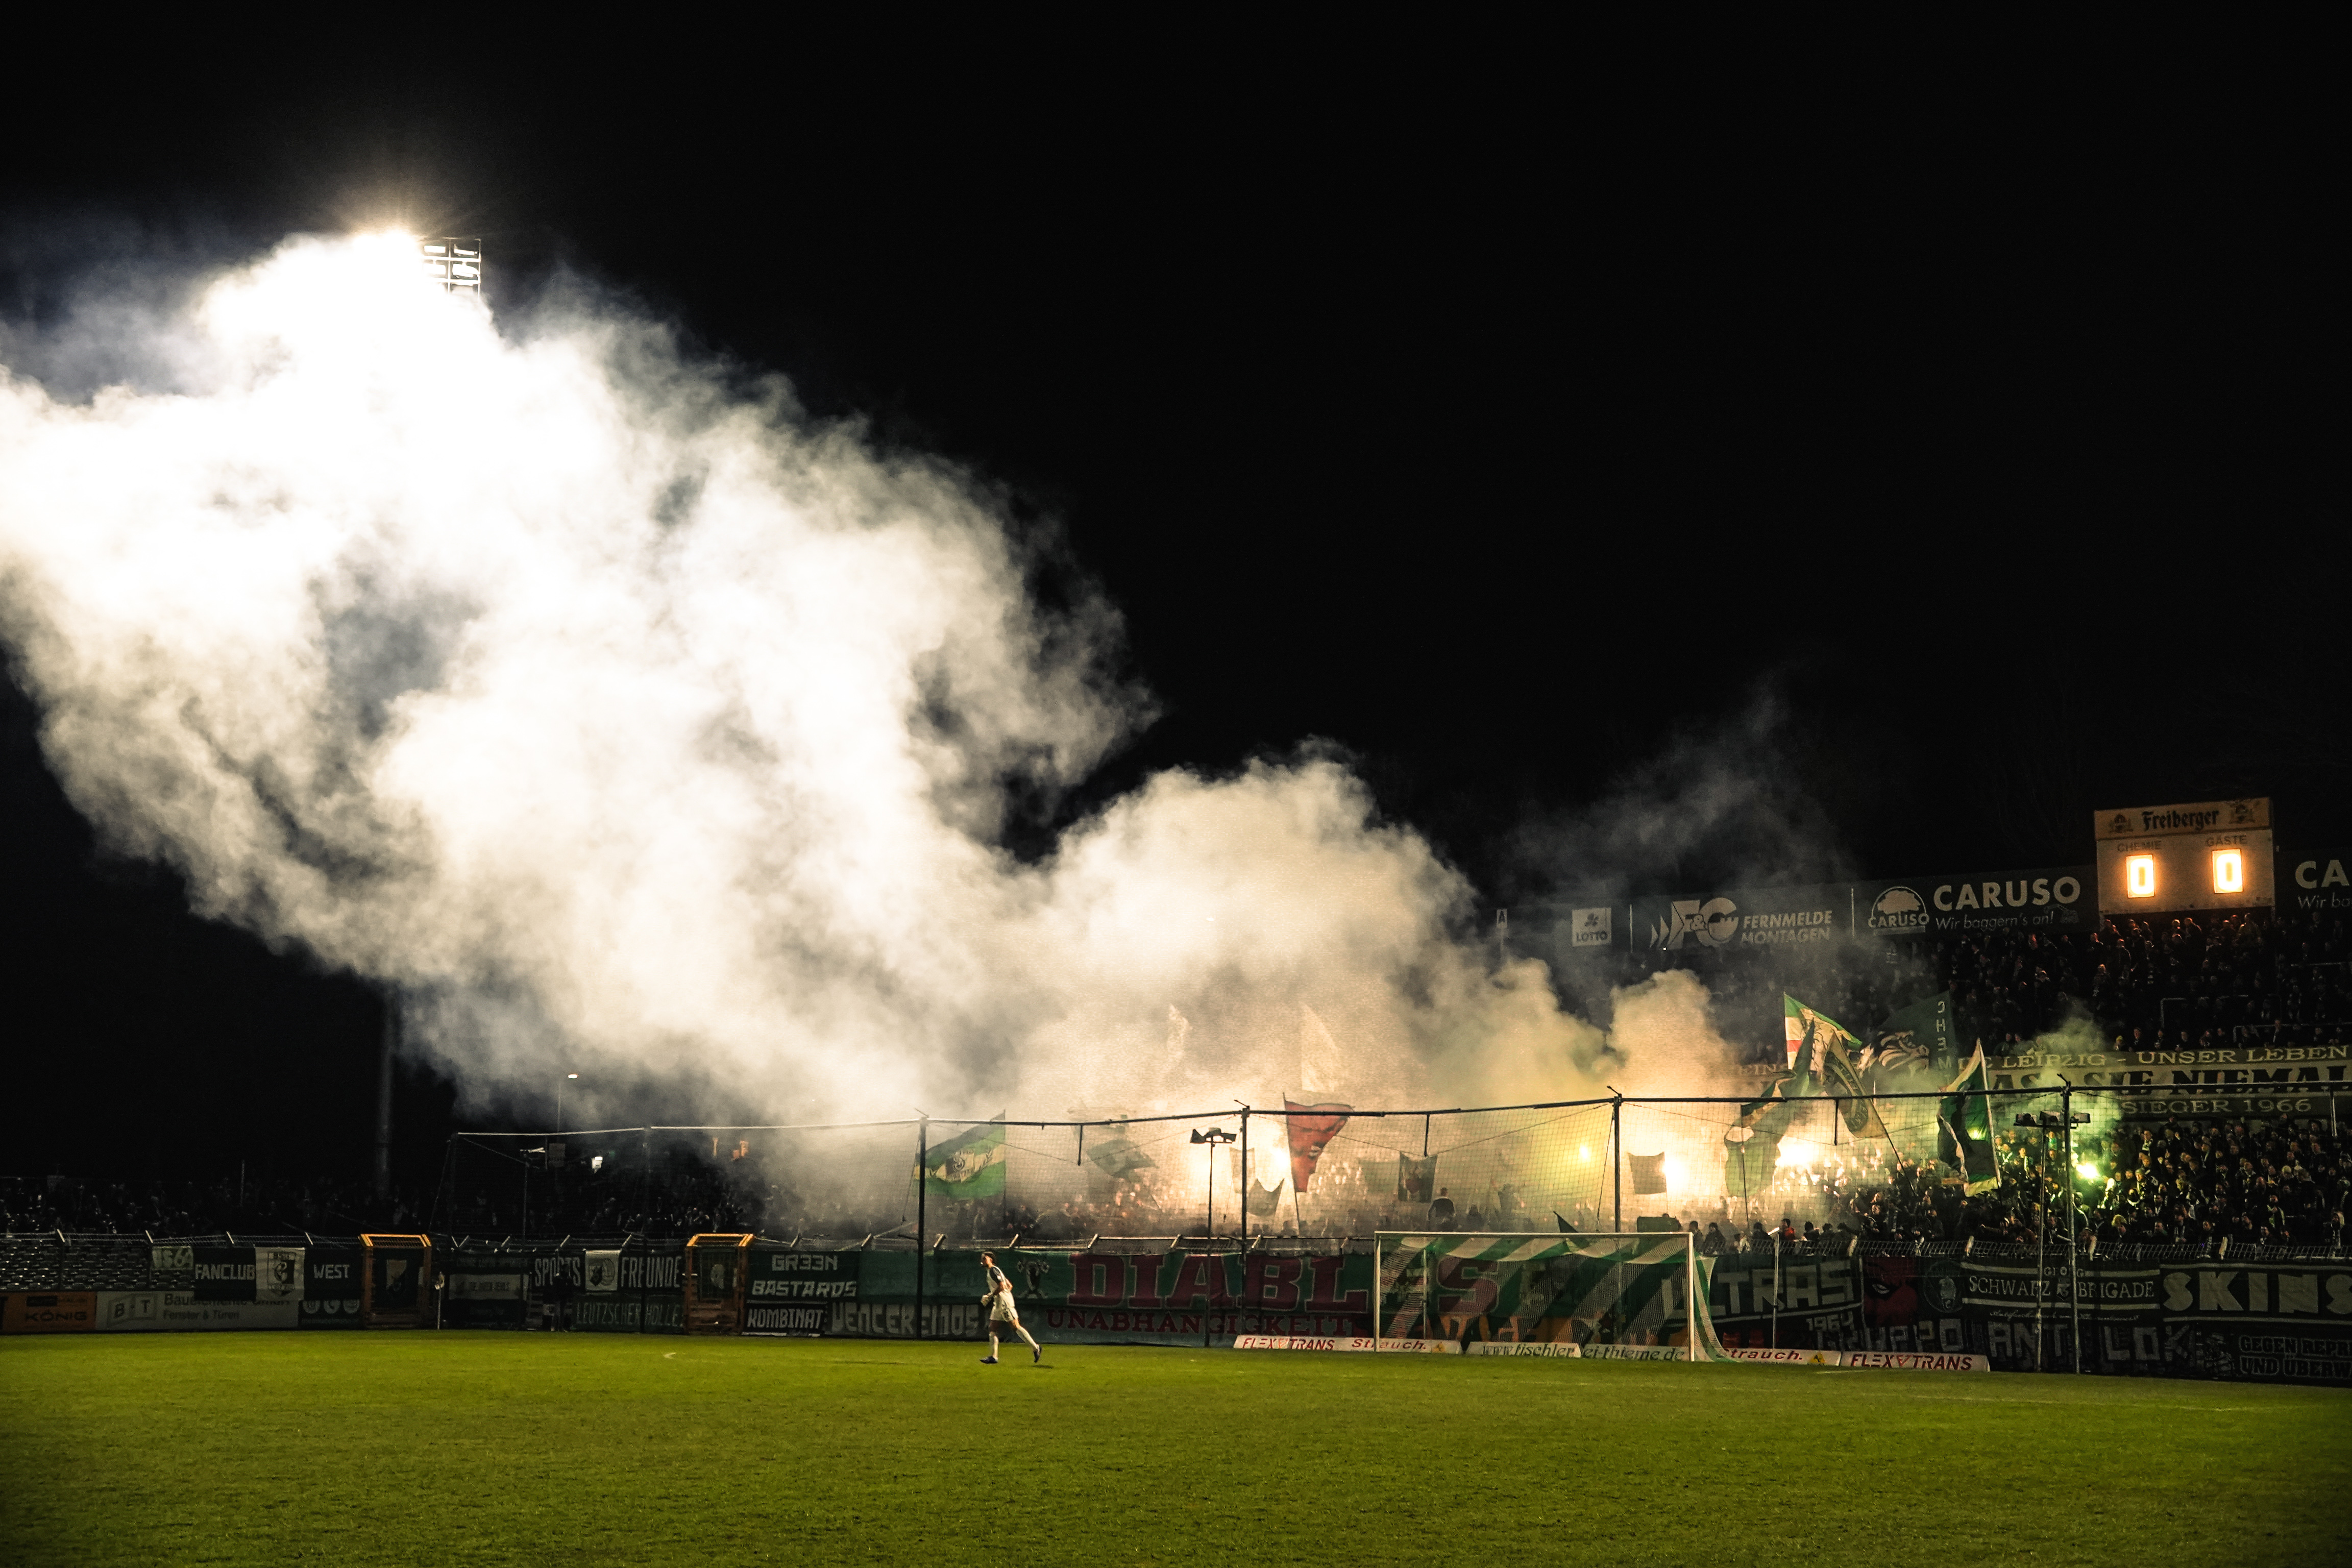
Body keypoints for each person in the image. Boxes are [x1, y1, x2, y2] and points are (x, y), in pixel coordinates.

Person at [977, 1251, 1041, 1365]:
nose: (983, 1260)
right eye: (982, 1259)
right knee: (992, 1329)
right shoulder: (995, 1271)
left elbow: (1002, 1286)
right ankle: (994, 1357)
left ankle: (1036, 1348)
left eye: (985, 1258)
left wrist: (990, 1296)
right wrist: (998, 1296)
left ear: (991, 1259)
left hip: (1004, 1303)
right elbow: (1009, 1286)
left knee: (1015, 1327)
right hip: (999, 1303)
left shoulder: (993, 1270)